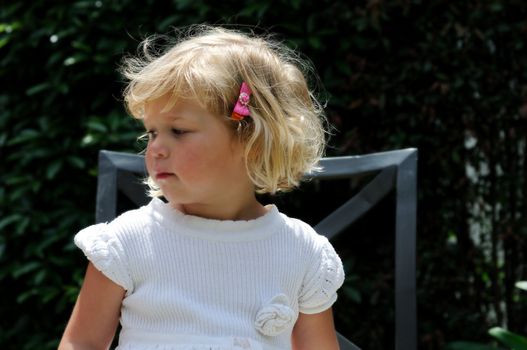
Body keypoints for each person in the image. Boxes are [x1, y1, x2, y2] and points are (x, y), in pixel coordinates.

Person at [59, 25, 345, 350]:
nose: (156, 148)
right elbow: (81, 343)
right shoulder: (128, 242)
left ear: (251, 140)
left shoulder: (301, 252)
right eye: (152, 132)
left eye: (178, 131)